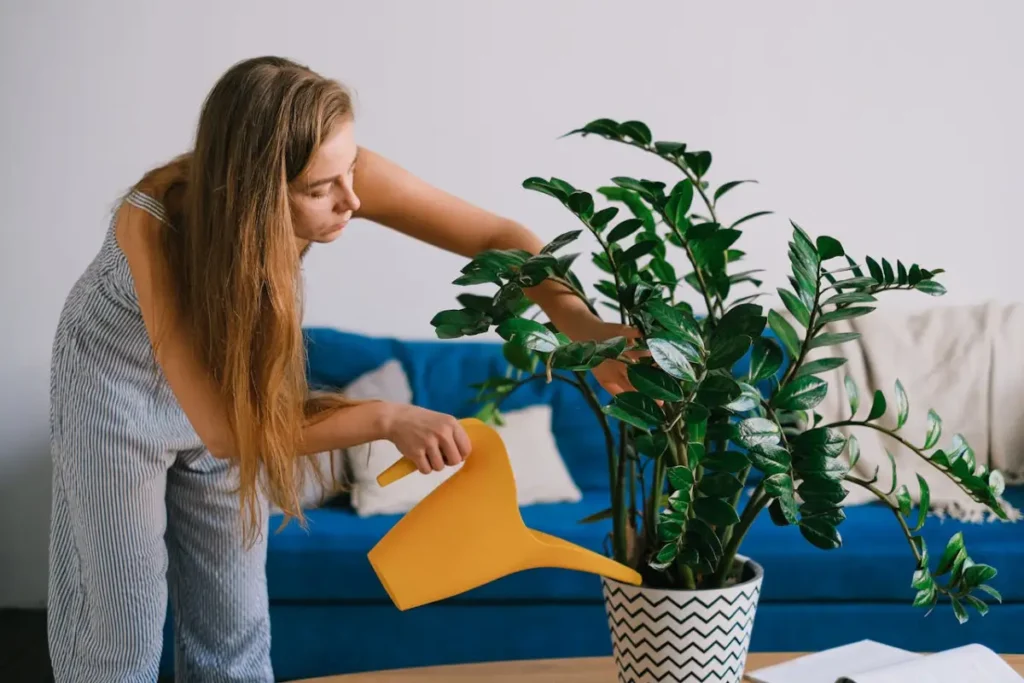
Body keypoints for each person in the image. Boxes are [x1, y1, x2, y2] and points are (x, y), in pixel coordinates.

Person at [47, 55, 633, 682]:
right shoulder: (152, 222)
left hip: (224, 389)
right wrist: (384, 417)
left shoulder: (336, 171)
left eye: (350, 169)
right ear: (251, 195)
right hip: (115, 388)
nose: (352, 200)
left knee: (235, 625)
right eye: (320, 188)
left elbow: (499, 237)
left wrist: (590, 333)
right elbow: (221, 432)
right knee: (120, 630)